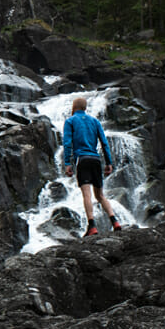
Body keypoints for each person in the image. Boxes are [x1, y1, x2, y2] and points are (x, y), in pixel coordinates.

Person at [62, 96, 123, 237]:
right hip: (96, 159)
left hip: (82, 160)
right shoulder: (95, 121)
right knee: (100, 195)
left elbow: (67, 143)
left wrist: (67, 164)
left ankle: (92, 226)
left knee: (87, 194)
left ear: (74, 107)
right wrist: (109, 162)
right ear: (85, 108)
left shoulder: (70, 121)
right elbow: (104, 142)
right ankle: (115, 221)